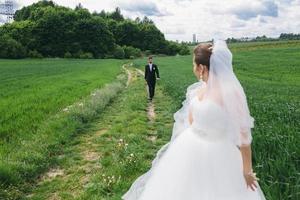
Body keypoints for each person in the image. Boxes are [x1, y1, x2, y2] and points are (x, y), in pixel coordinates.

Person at [122, 39, 266, 200]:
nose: (193, 68)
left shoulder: (228, 93)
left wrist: (247, 170)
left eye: (193, 64)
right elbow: (192, 121)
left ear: (202, 68)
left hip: (216, 153)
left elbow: (243, 134)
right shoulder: (199, 90)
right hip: (191, 147)